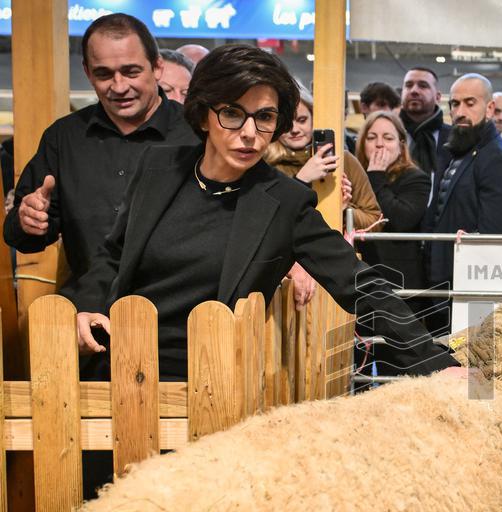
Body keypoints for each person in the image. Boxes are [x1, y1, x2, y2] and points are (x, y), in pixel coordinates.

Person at [71, 44, 456, 383]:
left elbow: (360, 285)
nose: (250, 132)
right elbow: (114, 253)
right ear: (204, 115)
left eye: (265, 117)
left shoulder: (284, 201)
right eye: (233, 114)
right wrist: (87, 305)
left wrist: (437, 363)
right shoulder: (156, 168)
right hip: (117, 368)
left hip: (209, 383)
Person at [3, 13, 197, 303]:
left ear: (157, 67)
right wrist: (28, 220)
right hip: (88, 319)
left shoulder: (199, 135)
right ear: (88, 71)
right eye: (104, 74)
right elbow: (22, 238)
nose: (118, 87)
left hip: (184, 320)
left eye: (131, 72)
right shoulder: (64, 138)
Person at [263, 83, 383, 309]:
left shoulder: (343, 160)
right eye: (287, 122)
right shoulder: (262, 163)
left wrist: (345, 211)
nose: (294, 129)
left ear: (313, 119)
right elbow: (265, 225)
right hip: (281, 281)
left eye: (301, 120)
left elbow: (375, 221)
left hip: (336, 272)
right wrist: (302, 179)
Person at [422, 74, 502, 336]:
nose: (460, 112)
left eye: (469, 103)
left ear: (489, 108)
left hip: (470, 289)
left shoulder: (496, 157)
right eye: (455, 104)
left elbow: (492, 236)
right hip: (445, 284)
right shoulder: (461, 149)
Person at [355, 111, 429, 294]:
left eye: (388, 138)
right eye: (371, 137)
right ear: (363, 143)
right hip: (361, 275)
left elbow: (400, 219)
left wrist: (376, 176)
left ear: (401, 145)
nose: (379, 144)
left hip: (400, 280)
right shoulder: (355, 177)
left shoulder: (416, 178)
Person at [399, 67, 451, 185]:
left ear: (438, 97)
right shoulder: (389, 136)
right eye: (408, 85)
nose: (414, 91)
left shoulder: (454, 139)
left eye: (423, 86)